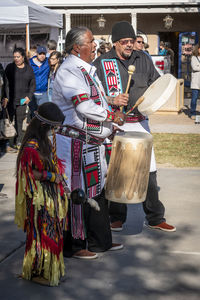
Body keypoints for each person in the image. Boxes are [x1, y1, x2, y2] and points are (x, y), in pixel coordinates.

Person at [94, 21, 176, 233]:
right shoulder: (101, 62)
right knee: (118, 170)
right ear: (115, 43)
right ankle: (117, 216)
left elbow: (155, 85)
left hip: (140, 121)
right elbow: (93, 95)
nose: (129, 45)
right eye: (125, 42)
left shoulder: (143, 59)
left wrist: (154, 100)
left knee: (149, 170)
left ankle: (155, 217)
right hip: (115, 123)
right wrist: (112, 100)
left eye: (132, 41)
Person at [53, 26, 126, 259]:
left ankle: (99, 241)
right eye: (91, 41)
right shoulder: (68, 71)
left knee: (96, 192)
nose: (95, 45)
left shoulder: (86, 69)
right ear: (77, 47)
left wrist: (109, 123)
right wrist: (111, 117)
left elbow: (98, 103)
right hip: (74, 144)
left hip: (91, 143)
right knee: (77, 193)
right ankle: (74, 245)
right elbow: (84, 106)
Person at [15, 102, 68, 286]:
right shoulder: (31, 146)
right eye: (54, 127)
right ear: (45, 125)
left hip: (49, 198)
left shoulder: (43, 140)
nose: (55, 131)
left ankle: (40, 271)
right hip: (39, 200)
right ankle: (40, 273)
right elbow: (30, 174)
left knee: (50, 234)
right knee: (42, 235)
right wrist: (54, 177)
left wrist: (61, 183)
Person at [5, 48, 36, 149]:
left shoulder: (29, 69)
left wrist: (29, 97)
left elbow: (32, 84)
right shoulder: (10, 68)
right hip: (10, 99)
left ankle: (19, 141)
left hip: (23, 100)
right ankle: (9, 141)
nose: (16, 59)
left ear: (23, 57)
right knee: (10, 121)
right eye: (14, 57)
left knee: (19, 121)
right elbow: (6, 84)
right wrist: (5, 97)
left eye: (18, 57)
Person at [29, 46, 50, 113]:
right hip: (32, 93)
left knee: (45, 113)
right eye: (40, 54)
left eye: (44, 54)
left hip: (43, 93)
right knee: (33, 115)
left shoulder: (48, 62)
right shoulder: (29, 63)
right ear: (36, 54)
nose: (42, 56)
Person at [0, 63, 9, 155]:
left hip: (0, 100)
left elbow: (5, 83)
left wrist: (6, 97)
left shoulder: (0, 67)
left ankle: (2, 145)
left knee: (1, 123)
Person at [190, 44, 200, 119]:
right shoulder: (194, 58)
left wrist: (198, 66)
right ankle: (192, 113)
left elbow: (197, 67)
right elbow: (194, 67)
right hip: (196, 82)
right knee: (194, 98)